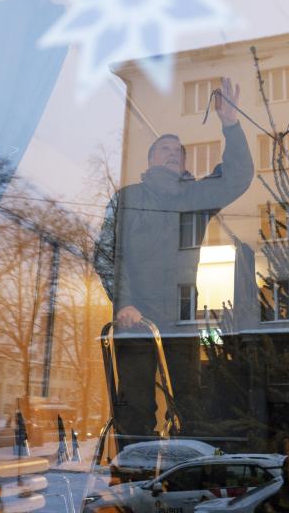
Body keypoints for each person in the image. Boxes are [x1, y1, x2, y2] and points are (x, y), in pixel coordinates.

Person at [93, 77, 253, 439]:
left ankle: (187, 478)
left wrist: (231, 123)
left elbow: (237, 177)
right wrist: (124, 302)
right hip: (135, 319)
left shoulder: (193, 198)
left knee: (192, 404)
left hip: (181, 320)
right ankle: (135, 475)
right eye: (164, 148)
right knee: (135, 406)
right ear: (150, 159)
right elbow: (106, 253)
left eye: (178, 151)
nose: (173, 153)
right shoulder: (129, 198)